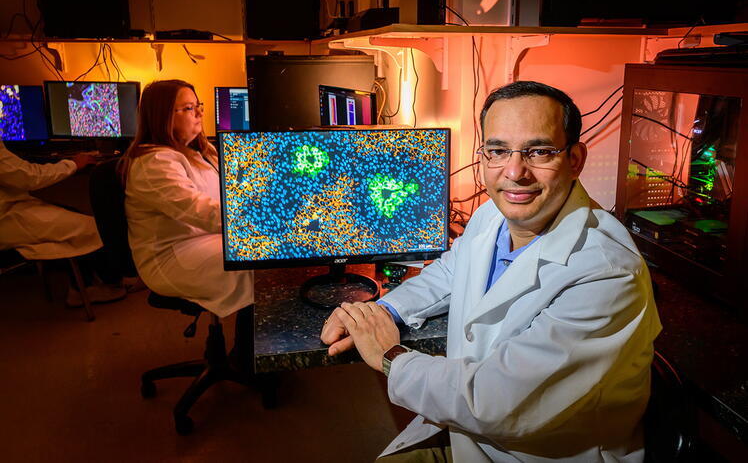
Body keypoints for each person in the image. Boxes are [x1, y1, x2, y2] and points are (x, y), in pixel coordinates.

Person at [321, 81, 662, 462]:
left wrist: (389, 354)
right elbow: (452, 271)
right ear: (482, 155)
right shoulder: (493, 215)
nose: (514, 172)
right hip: (474, 436)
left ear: (575, 159)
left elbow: (494, 402)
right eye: (498, 151)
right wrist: (382, 312)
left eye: (540, 151)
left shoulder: (606, 272)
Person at [120, 79, 253, 318]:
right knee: (254, 267)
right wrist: (264, 221)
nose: (201, 113)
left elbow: (234, 190)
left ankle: (252, 345)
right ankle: (247, 351)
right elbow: (199, 210)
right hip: (173, 255)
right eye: (190, 108)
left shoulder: (199, 150)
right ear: (163, 115)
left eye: (198, 105)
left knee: (266, 257)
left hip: (209, 238)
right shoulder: (155, 162)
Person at [0, 137, 126, 306]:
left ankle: (89, 281)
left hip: (10, 210)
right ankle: (85, 289)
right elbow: (28, 177)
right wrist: (72, 164)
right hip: (8, 219)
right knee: (92, 227)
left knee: (71, 213)